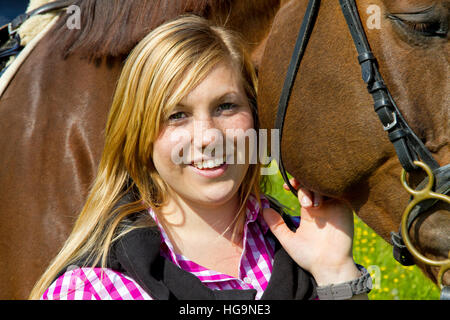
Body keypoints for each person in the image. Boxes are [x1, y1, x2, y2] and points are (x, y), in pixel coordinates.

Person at [29, 15, 370, 300]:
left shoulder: (306, 247)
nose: (208, 137)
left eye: (226, 106)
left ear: (254, 115)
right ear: (138, 137)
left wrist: (336, 274)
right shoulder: (96, 288)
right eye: (177, 115)